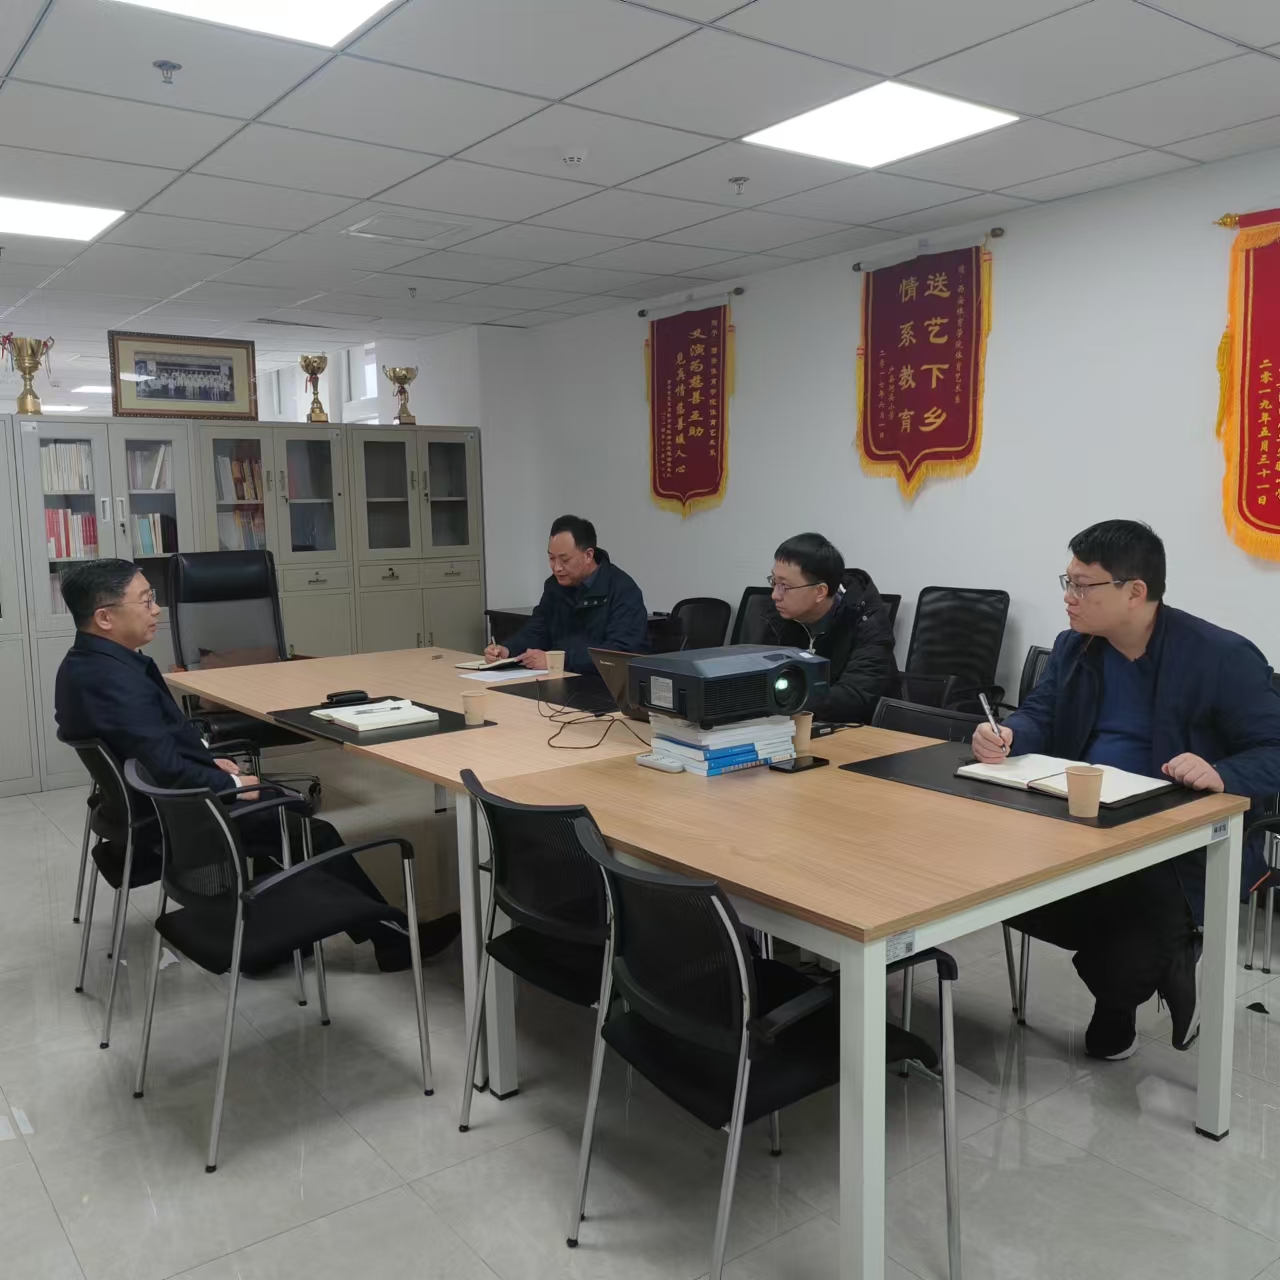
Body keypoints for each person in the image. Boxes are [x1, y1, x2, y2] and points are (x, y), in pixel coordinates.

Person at [54, 559, 460, 972]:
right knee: (303, 824)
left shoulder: (89, 664)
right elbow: (164, 769)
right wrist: (231, 784)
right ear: (105, 617)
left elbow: (149, 746)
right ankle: (392, 939)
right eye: (145, 600)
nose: (156, 609)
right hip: (181, 817)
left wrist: (208, 759)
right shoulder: (113, 680)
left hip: (149, 808)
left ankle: (283, 936)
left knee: (280, 815)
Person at [971, 520, 1280, 1060]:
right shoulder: (1074, 646)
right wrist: (1011, 733)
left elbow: (1273, 747)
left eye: (1082, 585)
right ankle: (1164, 962)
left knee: (1137, 917)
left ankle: (1121, 1000)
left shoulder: (1221, 656)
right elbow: (1042, 713)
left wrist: (1221, 773)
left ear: (1135, 591)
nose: (1068, 598)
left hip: (1175, 838)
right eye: (1066, 582)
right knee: (990, 879)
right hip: (1077, 818)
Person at [484, 515, 649, 675]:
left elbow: (618, 654)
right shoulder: (554, 586)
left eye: (565, 560)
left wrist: (556, 661)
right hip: (561, 678)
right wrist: (508, 650)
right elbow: (538, 630)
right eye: (551, 558)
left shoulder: (623, 589)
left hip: (603, 684)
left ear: (588, 555)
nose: (557, 568)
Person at [760, 532, 896, 723]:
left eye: (784, 586)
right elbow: (761, 675)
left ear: (820, 592)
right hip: (792, 724)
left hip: (858, 730)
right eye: (774, 581)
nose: (775, 595)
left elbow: (856, 696)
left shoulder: (868, 621)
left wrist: (786, 700)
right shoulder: (780, 615)